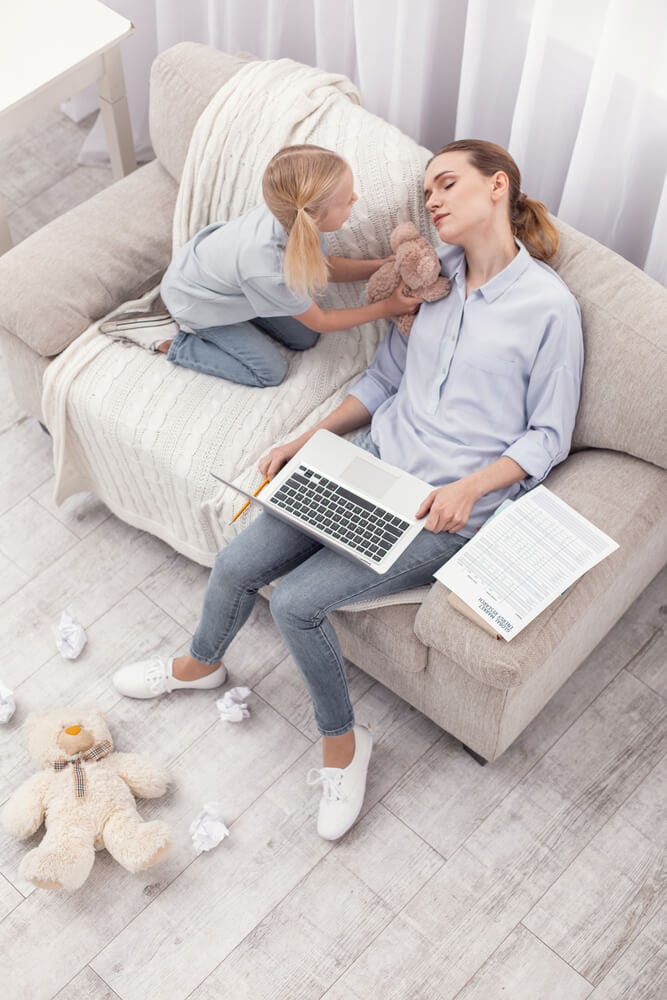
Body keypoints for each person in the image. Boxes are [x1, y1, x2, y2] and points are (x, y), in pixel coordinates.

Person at [112, 139, 584, 841]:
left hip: (442, 508)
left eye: (446, 184)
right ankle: (198, 664)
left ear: (498, 187)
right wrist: (310, 439)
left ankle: (343, 744)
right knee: (240, 560)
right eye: (427, 192)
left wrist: (470, 488)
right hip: (372, 459)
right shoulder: (428, 280)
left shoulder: (549, 308)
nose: (432, 201)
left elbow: (547, 437)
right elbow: (384, 379)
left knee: (299, 602)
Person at [104, 144, 421, 388]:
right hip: (195, 301)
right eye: (346, 199)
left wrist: (380, 266)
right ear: (314, 215)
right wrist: (387, 307)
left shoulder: (295, 221)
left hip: (226, 281)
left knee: (304, 339)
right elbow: (321, 319)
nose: (355, 199)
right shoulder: (267, 267)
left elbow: (323, 267)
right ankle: (168, 339)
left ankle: (245, 309)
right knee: (270, 372)